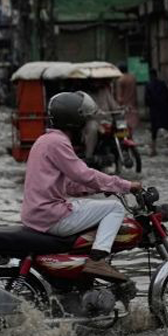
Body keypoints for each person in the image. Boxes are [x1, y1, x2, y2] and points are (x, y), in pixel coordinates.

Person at [21, 91, 143, 282]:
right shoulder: (58, 142)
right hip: (50, 216)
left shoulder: (44, 140)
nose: (87, 127)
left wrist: (101, 187)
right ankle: (98, 259)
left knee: (94, 206)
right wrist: (125, 185)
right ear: (74, 121)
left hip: (37, 214)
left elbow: (69, 185)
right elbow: (84, 174)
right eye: (85, 121)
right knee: (115, 208)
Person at [82, 79, 121, 164]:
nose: (96, 83)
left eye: (98, 81)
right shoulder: (85, 94)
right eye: (94, 81)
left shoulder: (105, 91)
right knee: (92, 128)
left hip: (107, 121)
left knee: (122, 128)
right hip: (93, 121)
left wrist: (120, 110)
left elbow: (114, 106)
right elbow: (83, 109)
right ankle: (89, 156)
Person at [144, 68, 168, 156]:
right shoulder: (162, 84)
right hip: (164, 109)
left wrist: (149, 107)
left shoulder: (148, 85)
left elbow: (147, 100)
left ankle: (153, 150)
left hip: (154, 111)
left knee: (154, 131)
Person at [115, 64, 139, 132]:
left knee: (122, 129)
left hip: (123, 108)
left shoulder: (120, 80)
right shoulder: (133, 78)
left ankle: (124, 141)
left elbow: (119, 97)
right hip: (133, 107)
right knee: (132, 129)